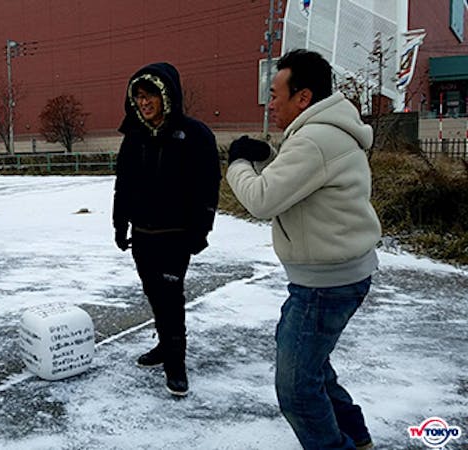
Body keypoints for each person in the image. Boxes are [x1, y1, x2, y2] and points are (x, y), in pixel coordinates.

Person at [226, 49, 380, 450]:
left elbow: (261, 200)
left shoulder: (314, 140)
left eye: (276, 93)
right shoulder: (322, 133)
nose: (270, 101)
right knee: (309, 365)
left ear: (304, 97)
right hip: (332, 275)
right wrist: (271, 158)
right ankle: (356, 434)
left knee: (295, 388)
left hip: (326, 285)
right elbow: (301, 181)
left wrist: (238, 162)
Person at [113, 62, 221, 397]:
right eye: (139, 97)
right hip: (143, 235)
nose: (144, 103)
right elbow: (123, 184)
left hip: (176, 236)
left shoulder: (194, 134)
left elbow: (209, 185)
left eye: (150, 96)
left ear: (167, 95)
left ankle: (176, 363)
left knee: (171, 297)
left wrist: (201, 229)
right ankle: (164, 345)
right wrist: (120, 222)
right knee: (154, 294)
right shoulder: (134, 137)